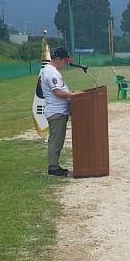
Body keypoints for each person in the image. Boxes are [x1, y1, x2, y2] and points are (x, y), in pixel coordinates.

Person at [41, 47, 78, 176]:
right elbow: (57, 92)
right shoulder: (51, 72)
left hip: (58, 111)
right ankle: (53, 167)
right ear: (58, 59)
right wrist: (73, 95)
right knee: (56, 141)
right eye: (65, 60)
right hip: (56, 112)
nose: (66, 63)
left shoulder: (51, 70)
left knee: (58, 140)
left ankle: (55, 165)